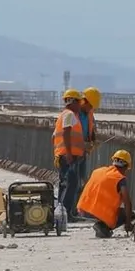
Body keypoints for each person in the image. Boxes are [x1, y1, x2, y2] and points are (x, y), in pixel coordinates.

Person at [76, 149, 135, 238]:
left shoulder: (97, 171)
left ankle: (101, 225)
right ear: (125, 166)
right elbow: (127, 202)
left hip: (84, 210)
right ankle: (103, 227)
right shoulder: (120, 178)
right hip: (101, 213)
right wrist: (128, 223)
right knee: (130, 214)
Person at [53, 88, 85, 220]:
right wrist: (69, 153)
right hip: (68, 156)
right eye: (78, 102)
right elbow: (66, 133)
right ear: (72, 101)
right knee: (71, 183)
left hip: (64, 155)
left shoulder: (63, 115)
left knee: (65, 183)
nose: (80, 105)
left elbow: (54, 137)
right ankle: (65, 213)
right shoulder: (69, 115)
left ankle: (61, 213)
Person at [76, 86, 100, 193]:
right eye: (90, 106)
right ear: (84, 101)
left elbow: (91, 128)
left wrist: (93, 141)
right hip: (72, 152)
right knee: (72, 181)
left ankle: (79, 205)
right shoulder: (73, 113)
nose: (91, 109)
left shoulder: (89, 113)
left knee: (82, 180)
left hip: (82, 152)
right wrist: (82, 144)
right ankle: (69, 208)